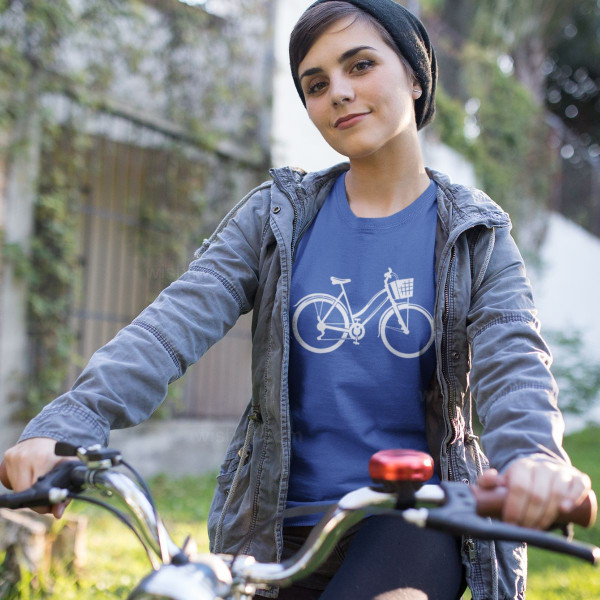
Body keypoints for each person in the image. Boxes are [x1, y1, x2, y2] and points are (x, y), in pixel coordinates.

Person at [0, 0, 592, 598]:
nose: (338, 91)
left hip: (411, 523)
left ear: (415, 75)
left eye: (360, 65)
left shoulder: (474, 235)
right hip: (273, 530)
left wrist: (534, 461)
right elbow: (173, 323)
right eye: (317, 83)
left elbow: (514, 362)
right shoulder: (276, 217)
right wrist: (71, 420)